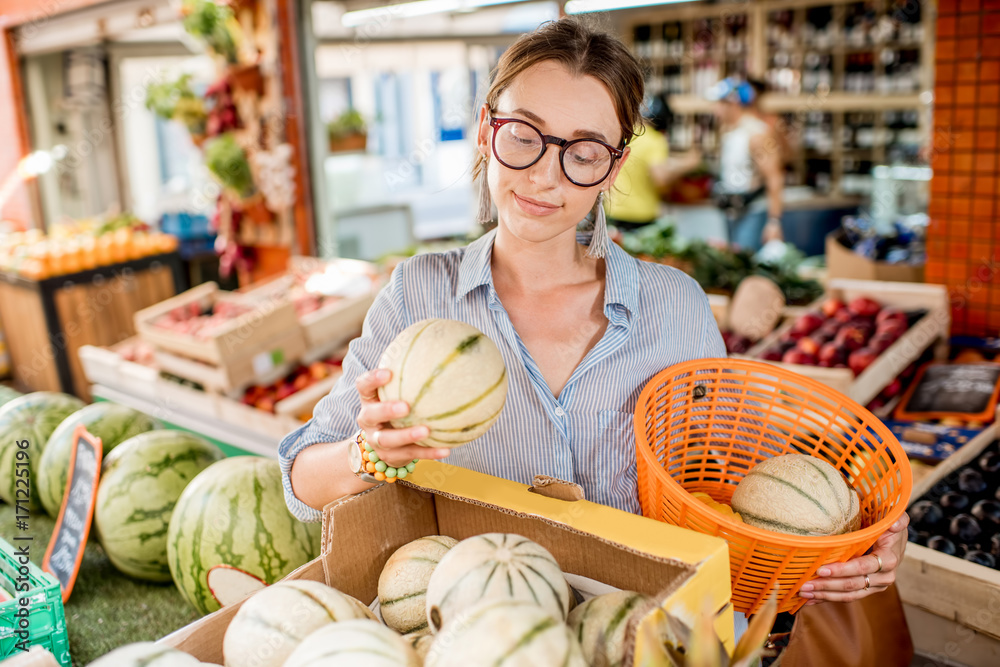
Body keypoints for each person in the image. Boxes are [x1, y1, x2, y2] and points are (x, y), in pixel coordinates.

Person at [279, 16, 908, 641]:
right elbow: (302, 482)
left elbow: (748, 475)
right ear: (485, 131)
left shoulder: (674, 305)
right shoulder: (420, 292)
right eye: (524, 135)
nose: (546, 175)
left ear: (614, 166)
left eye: (583, 152)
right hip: (483, 641)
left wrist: (863, 521)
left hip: (650, 640)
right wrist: (370, 454)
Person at [709, 77, 786, 252]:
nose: (715, 110)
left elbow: (775, 177)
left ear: (733, 103)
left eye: (719, 104)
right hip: (733, 211)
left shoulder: (756, 134)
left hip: (752, 212)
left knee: (746, 263)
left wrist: (774, 222)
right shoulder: (729, 131)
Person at [605, 94, 701, 230]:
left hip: (612, 211)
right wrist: (690, 164)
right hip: (641, 215)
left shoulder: (623, 134)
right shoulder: (654, 141)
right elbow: (660, 178)